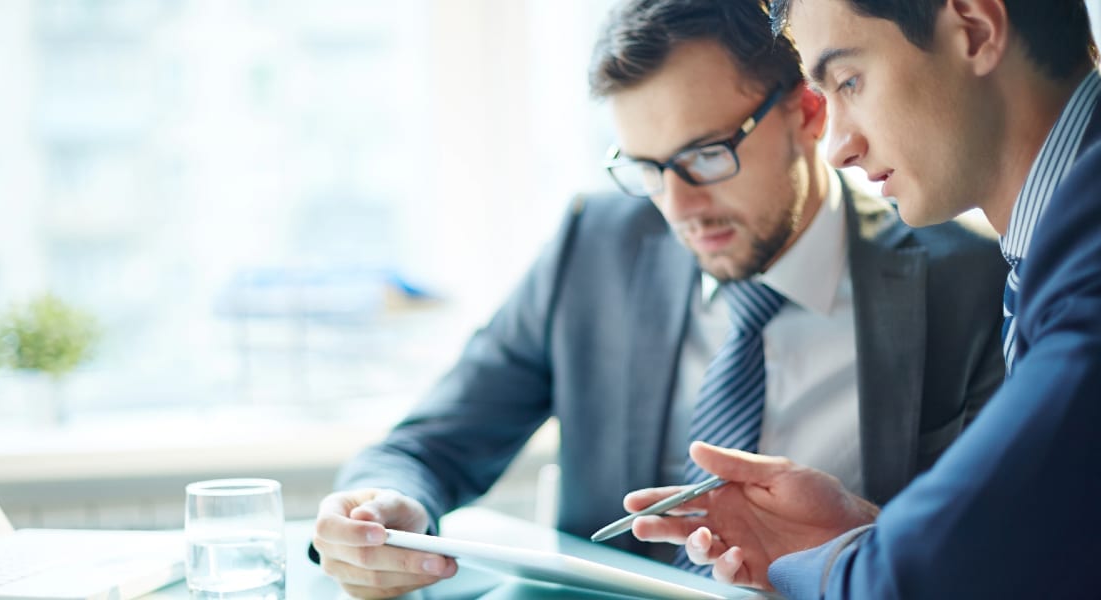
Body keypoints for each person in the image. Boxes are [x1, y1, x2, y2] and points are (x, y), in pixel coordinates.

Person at [310, 1, 1008, 597]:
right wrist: (380, 506)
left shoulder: (967, 284)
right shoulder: (597, 245)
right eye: (646, 169)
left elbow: (996, 551)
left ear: (808, 110)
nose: (680, 209)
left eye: (707, 156)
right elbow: (433, 443)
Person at [625, 0, 1101, 597]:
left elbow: (923, 576)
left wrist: (854, 561)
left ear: (976, 29)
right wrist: (866, 536)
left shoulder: (1087, 254)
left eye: (849, 80)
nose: (838, 148)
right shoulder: (1054, 243)